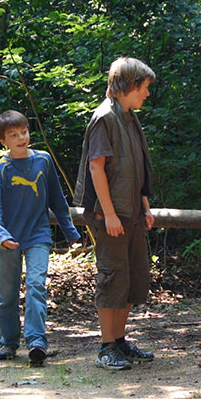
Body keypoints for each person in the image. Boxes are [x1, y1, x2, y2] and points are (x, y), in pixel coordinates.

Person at [74, 57, 158, 371]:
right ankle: (106, 347)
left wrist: (145, 208)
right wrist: (108, 214)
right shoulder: (104, 118)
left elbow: (135, 168)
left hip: (132, 213)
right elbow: (96, 168)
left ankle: (120, 342)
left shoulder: (129, 117)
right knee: (111, 278)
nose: (146, 93)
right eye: (144, 87)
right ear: (129, 85)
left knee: (131, 279)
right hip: (109, 215)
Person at [0, 110, 81, 366]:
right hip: (8, 238)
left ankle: (37, 340)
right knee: (7, 294)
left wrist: (70, 232)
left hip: (38, 235)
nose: (21, 138)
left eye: (24, 132)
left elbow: (57, 199)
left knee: (36, 285)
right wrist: (2, 236)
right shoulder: (0, 170)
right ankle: (9, 341)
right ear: (3, 141)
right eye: (13, 135)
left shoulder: (43, 161)